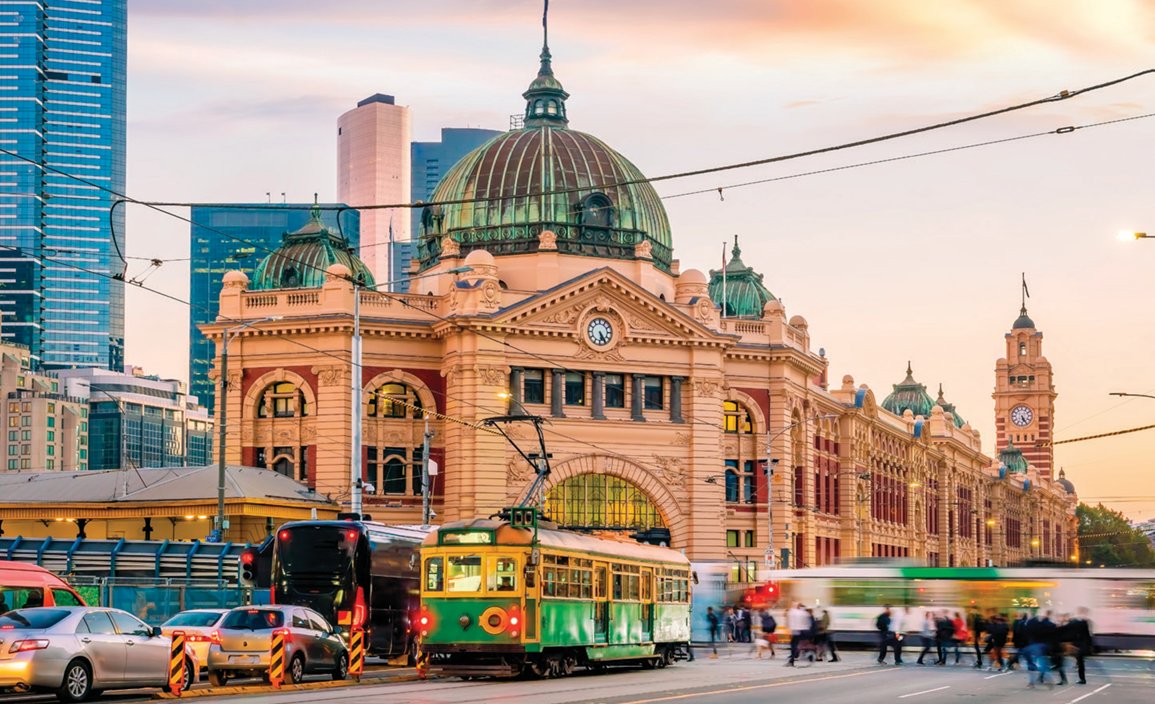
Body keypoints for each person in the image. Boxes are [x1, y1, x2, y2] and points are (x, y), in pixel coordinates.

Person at [1065, 607, 1093, 685]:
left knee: (1080, 661)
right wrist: (1090, 645)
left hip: (1077, 644)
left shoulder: (1075, 621)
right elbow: (1088, 634)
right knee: (1080, 662)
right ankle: (1082, 678)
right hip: (1081, 643)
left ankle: (1082, 678)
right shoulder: (1085, 622)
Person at [786, 602, 809, 667]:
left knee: (793, 645)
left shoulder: (793, 612)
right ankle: (793, 658)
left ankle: (792, 660)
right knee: (799, 645)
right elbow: (806, 623)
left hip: (796, 631)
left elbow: (789, 621)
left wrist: (789, 629)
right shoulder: (804, 613)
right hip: (804, 631)